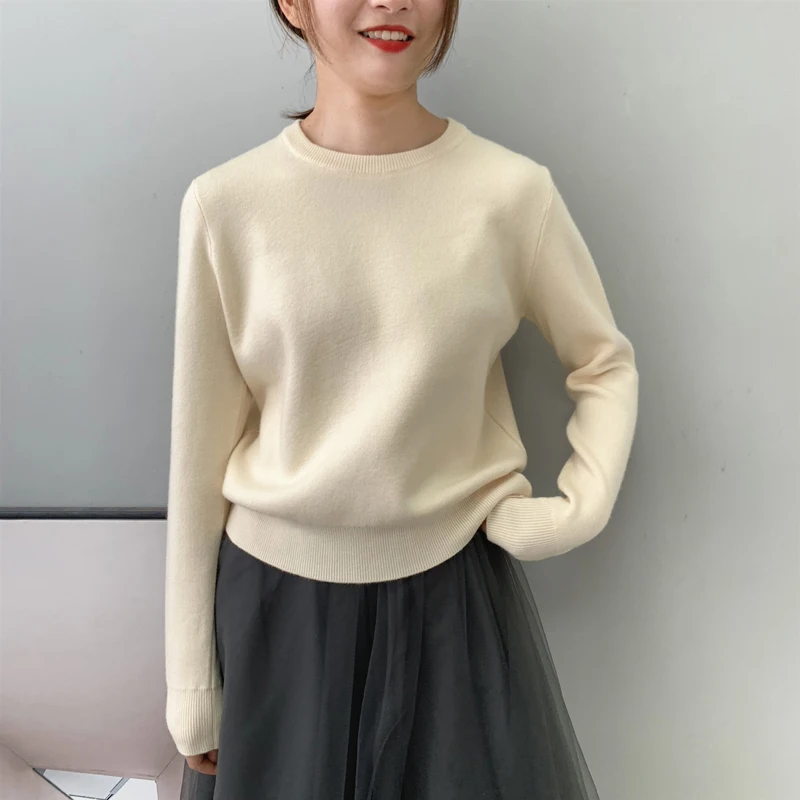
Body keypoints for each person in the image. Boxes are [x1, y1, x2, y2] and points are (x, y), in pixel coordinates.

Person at [164, 0, 639, 796]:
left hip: (453, 597)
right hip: (275, 609)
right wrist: (189, 675)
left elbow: (604, 362)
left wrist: (573, 512)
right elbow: (197, 452)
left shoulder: (510, 194)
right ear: (292, 5)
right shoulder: (227, 204)